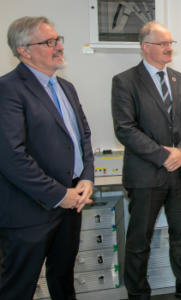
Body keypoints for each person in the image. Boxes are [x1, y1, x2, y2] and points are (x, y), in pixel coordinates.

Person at [111, 21, 181, 300]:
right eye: (163, 43)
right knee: (139, 240)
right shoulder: (125, 81)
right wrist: (164, 155)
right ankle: (138, 293)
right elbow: (125, 128)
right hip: (146, 175)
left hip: (180, 173)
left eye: (171, 43)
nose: (169, 48)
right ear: (146, 47)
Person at [0, 16, 94, 300]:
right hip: (28, 210)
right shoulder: (8, 89)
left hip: (71, 204)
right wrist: (57, 194)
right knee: (18, 287)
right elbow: (10, 155)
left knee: (64, 280)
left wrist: (86, 178)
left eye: (58, 40)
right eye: (49, 42)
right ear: (24, 50)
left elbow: (83, 138)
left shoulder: (66, 88)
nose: (59, 47)